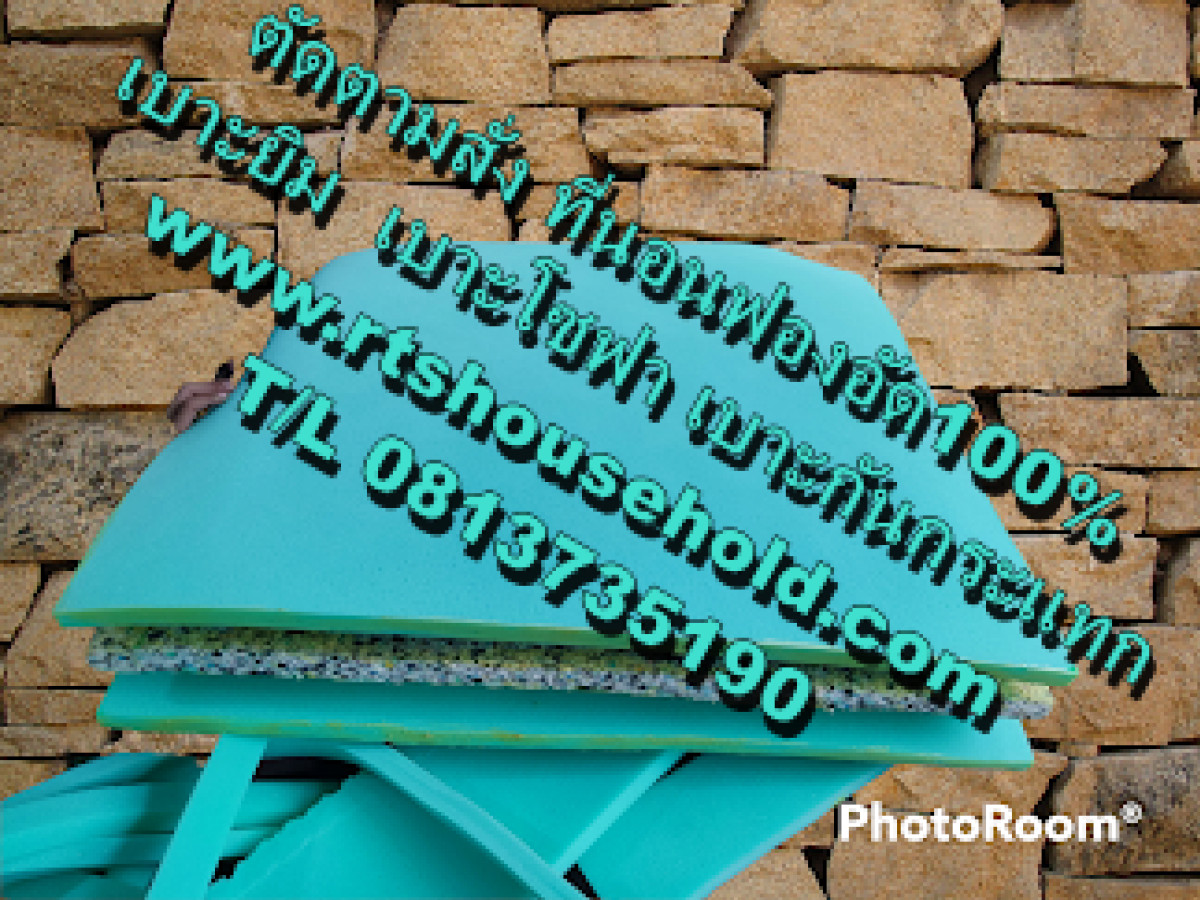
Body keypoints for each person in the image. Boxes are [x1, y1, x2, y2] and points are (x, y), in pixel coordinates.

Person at [166, 360, 237, 433]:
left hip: (226, 395)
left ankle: (176, 425)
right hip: (223, 391)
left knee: (192, 401)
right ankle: (172, 418)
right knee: (188, 389)